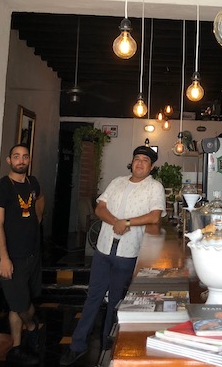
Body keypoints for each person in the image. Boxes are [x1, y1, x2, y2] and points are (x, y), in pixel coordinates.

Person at [60, 145, 166, 366]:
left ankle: (108, 345)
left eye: (145, 161)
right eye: (137, 159)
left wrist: (125, 222)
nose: (139, 163)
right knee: (93, 297)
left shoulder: (154, 187)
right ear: (132, 162)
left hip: (128, 251)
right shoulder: (117, 181)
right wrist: (115, 222)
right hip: (104, 248)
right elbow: (99, 208)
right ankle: (77, 345)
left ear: (151, 167)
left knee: (116, 300)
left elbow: (155, 217)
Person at [0, 143, 45, 365]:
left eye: (24, 156)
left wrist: (38, 217)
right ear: (9, 160)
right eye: (16, 156)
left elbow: (40, 200)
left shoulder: (33, 183)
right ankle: (32, 327)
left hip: (33, 254)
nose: (21, 160)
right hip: (12, 257)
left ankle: (16, 348)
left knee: (20, 303)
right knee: (21, 304)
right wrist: (4, 258)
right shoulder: (4, 186)